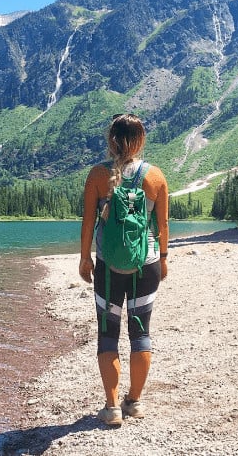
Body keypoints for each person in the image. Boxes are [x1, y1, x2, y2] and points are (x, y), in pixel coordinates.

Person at [79, 113, 169, 426]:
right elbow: (162, 225)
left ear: (111, 140)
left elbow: (88, 222)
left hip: (108, 266)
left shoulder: (96, 175)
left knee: (108, 334)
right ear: (140, 140)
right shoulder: (155, 176)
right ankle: (136, 401)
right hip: (147, 264)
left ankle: (112, 406)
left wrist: (84, 258)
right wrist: (165, 258)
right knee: (141, 333)